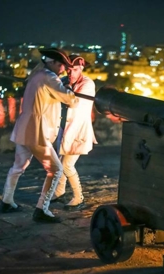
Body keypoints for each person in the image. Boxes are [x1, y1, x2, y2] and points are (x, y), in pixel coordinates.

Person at [0, 48, 78, 223]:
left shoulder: (37, 74)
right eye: (61, 65)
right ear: (52, 63)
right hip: (37, 130)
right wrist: (69, 88)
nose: (63, 69)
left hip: (24, 127)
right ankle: (41, 209)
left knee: (18, 167)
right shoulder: (49, 77)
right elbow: (70, 99)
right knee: (56, 170)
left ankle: (6, 200)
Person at [51, 54, 97, 210]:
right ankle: (59, 192)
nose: (71, 73)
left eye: (75, 70)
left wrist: (65, 88)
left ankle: (79, 197)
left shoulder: (87, 84)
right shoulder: (65, 82)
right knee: (60, 161)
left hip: (78, 131)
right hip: (64, 129)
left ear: (81, 69)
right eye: (68, 70)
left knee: (67, 165)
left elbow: (75, 104)